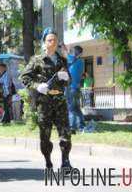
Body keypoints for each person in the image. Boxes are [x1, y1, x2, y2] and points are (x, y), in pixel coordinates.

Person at [20, 28, 73, 172]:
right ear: (44, 42)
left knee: (65, 133)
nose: (53, 42)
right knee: (45, 135)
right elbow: (24, 78)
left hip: (60, 100)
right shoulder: (37, 60)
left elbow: (69, 80)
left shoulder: (62, 60)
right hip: (44, 102)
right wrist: (37, 87)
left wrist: (67, 77)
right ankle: (48, 162)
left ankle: (65, 162)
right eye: (50, 40)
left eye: (55, 40)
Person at [63, 44, 85, 133]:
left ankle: (72, 127)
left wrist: (63, 46)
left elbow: (66, 53)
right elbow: (68, 55)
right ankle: (81, 125)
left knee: (70, 108)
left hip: (71, 87)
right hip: (77, 88)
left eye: (73, 50)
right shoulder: (81, 62)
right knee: (77, 108)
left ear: (76, 52)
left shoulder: (72, 59)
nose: (72, 52)